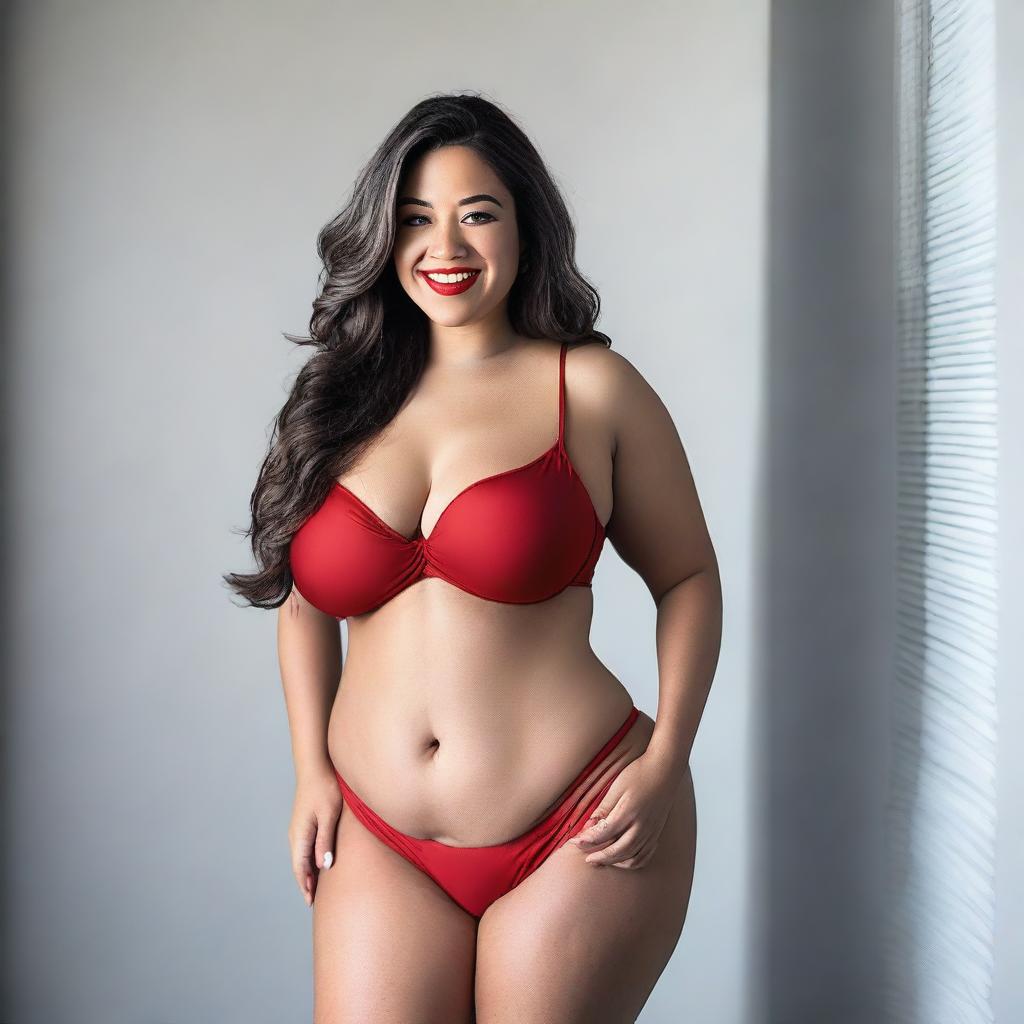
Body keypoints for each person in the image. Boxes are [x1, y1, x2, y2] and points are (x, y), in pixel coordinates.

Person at [225, 92, 722, 1024]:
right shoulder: (337, 400)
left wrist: (664, 766)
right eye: (415, 218)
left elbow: (689, 579)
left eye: (476, 215)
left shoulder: (594, 387)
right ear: (383, 235)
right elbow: (303, 601)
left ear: (526, 228)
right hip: (376, 834)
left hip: (582, 823)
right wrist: (312, 773)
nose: (443, 247)